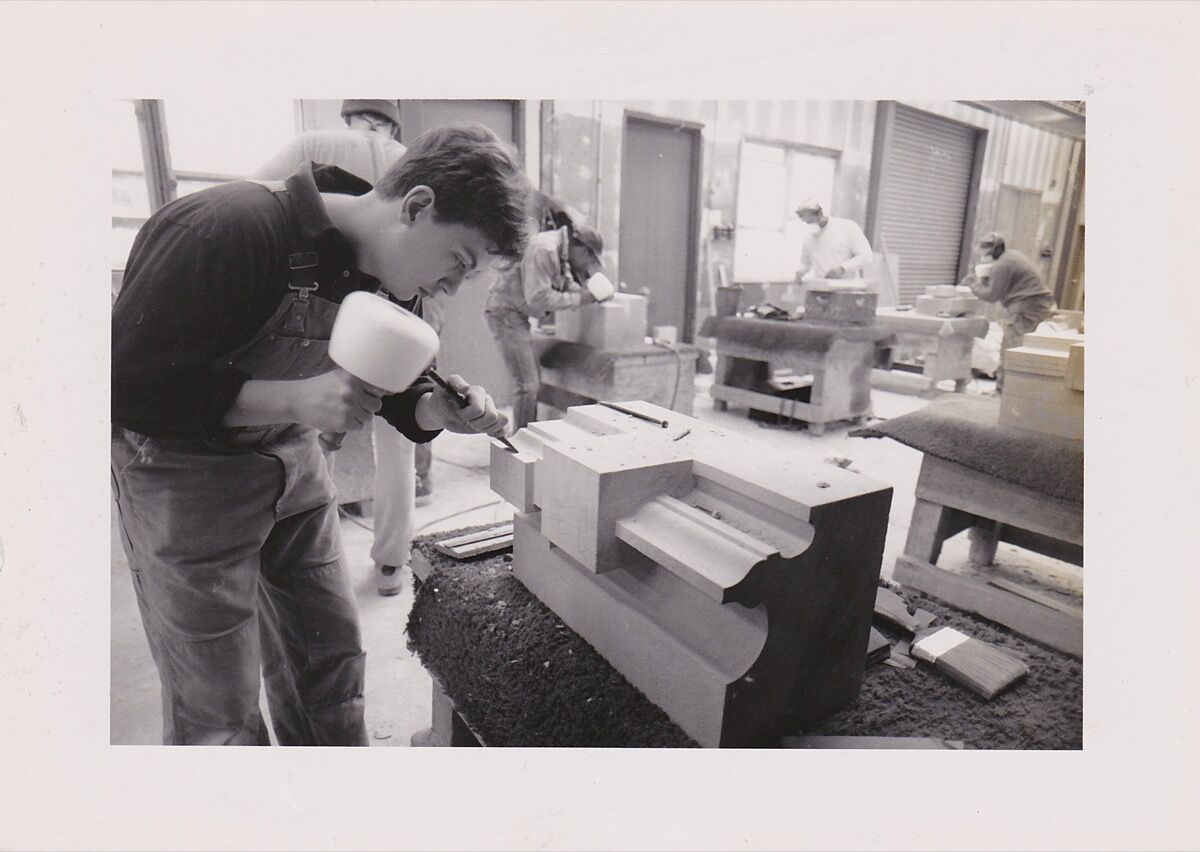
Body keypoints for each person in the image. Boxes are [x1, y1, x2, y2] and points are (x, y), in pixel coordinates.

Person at [111, 124, 530, 745]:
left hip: (293, 469)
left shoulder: (391, 281)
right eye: (458, 263)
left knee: (329, 664)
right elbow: (126, 385)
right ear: (416, 206)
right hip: (183, 480)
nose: (450, 288)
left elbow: (392, 393)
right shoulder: (224, 229)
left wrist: (439, 413)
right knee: (217, 705)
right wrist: (297, 398)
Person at [254, 99, 420, 596]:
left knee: (301, 426)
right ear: (392, 122)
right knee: (396, 438)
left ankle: (295, 555)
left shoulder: (313, 144)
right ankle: (392, 561)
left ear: (351, 115)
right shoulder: (410, 158)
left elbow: (249, 201)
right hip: (395, 311)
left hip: (319, 308)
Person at [484, 192, 614, 430]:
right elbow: (538, 296)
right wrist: (581, 298)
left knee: (530, 383)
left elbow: (564, 282)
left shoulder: (562, 250)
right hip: (506, 314)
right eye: (591, 260)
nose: (588, 267)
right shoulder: (545, 249)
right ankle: (522, 444)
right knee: (528, 385)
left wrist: (588, 291)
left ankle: (524, 436)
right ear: (583, 250)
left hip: (516, 314)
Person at [961, 231, 1057, 392]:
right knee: (1016, 348)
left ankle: (1005, 392)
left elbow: (992, 295)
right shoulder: (1012, 256)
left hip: (1026, 307)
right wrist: (986, 280)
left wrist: (973, 284)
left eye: (985, 254)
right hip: (1036, 304)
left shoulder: (1003, 264)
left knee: (1011, 350)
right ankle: (1009, 390)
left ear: (993, 251)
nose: (983, 257)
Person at [793, 198, 873, 283]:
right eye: (806, 223)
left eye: (811, 221)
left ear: (820, 213)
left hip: (846, 287)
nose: (810, 225)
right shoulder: (809, 238)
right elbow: (806, 263)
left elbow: (866, 256)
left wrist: (842, 268)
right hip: (822, 287)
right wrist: (800, 273)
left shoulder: (847, 228)